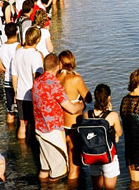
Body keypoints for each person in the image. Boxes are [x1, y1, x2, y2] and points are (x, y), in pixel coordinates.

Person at [33, 53, 84, 180]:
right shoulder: (54, 85)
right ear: (58, 65)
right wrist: (81, 106)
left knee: (44, 169)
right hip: (53, 131)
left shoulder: (37, 81)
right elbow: (71, 109)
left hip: (39, 128)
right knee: (58, 173)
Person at [57, 49, 92, 182]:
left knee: (64, 158)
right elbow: (89, 98)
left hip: (59, 123)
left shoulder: (56, 77)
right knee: (75, 163)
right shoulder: (76, 79)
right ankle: (74, 185)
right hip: (73, 124)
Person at [82, 84, 123, 190]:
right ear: (108, 98)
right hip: (108, 156)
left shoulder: (87, 114)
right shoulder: (112, 115)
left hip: (92, 156)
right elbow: (119, 132)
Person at [12, 26, 44, 140]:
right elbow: (37, 77)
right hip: (31, 95)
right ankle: (30, 147)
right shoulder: (36, 55)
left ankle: (22, 148)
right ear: (38, 39)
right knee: (31, 123)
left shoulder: (17, 53)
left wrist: (15, 92)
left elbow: (14, 75)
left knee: (21, 123)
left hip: (20, 93)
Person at [0, 22, 20, 124]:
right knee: (22, 112)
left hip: (7, 81)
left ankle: (10, 130)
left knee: (10, 111)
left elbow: (0, 68)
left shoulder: (1, 48)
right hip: (19, 81)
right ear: (17, 32)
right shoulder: (18, 47)